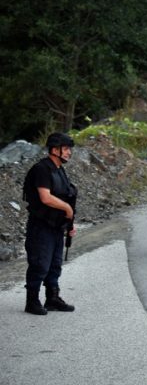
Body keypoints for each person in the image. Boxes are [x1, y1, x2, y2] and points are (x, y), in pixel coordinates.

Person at [22, 132, 78, 315]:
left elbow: (66, 197)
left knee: (55, 265)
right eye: (66, 149)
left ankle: (52, 298)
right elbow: (45, 198)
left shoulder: (59, 169)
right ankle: (32, 301)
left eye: (70, 149)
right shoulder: (42, 169)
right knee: (40, 264)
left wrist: (70, 223)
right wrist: (68, 211)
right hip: (41, 225)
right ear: (55, 150)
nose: (69, 152)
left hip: (56, 225)